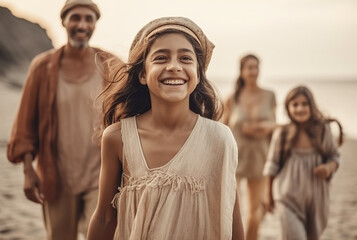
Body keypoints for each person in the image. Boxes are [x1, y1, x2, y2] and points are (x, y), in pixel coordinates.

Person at [87, 17, 244, 240]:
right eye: (161, 58)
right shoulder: (117, 137)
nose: (174, 66)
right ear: (142, 74)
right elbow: (104, 217)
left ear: (198, 74)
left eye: (185, 58)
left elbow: (231, 218)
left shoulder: (219, 138)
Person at [6, 0, 117, 239]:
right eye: (75, 17)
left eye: (89, 19)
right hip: (56, 175)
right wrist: (28, 169)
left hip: (101, 176)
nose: (82, 24)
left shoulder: (111, 65)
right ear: (64, 21)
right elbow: (26, 121)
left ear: (96, 24)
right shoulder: (42, 67)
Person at [263, 86, 344, 240]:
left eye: (304, 104)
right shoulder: (283, 133)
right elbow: (271, 165)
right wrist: (268, 195)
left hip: (317, 198)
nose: (300, 108)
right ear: (288, 108)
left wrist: (328, 167)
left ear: (311, 106)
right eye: (295, 104)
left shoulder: (323, 130)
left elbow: (335, 157)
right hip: (286, 197)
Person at [222, 54, 277, 240]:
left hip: (261, 158)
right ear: (242, 71)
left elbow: (275, 126)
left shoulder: (270, 95)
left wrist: (261, 128)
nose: (253, 71)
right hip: (235, 158)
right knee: (229, 209)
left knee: (254, 213)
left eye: (256, 67)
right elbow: (222, 128)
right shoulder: (232, 98)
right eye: (249, 67)